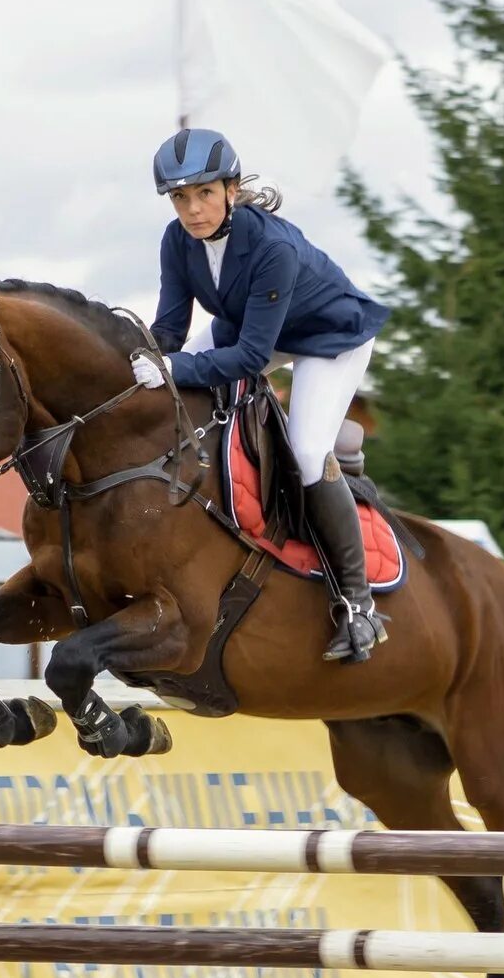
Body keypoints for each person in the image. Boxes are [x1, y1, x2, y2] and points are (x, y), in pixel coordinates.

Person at [129, 127, 393, 664]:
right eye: (180, 198)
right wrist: (132, 356)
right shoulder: (177, 241)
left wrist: (172, 367)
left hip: (329, 338)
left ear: (230, 189)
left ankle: (358, 603)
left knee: (306, 453)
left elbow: (250, 361)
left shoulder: (271, 247)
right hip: (253, 327)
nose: (193, 209)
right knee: (181, 387)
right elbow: (171, 332)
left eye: (204, 193)